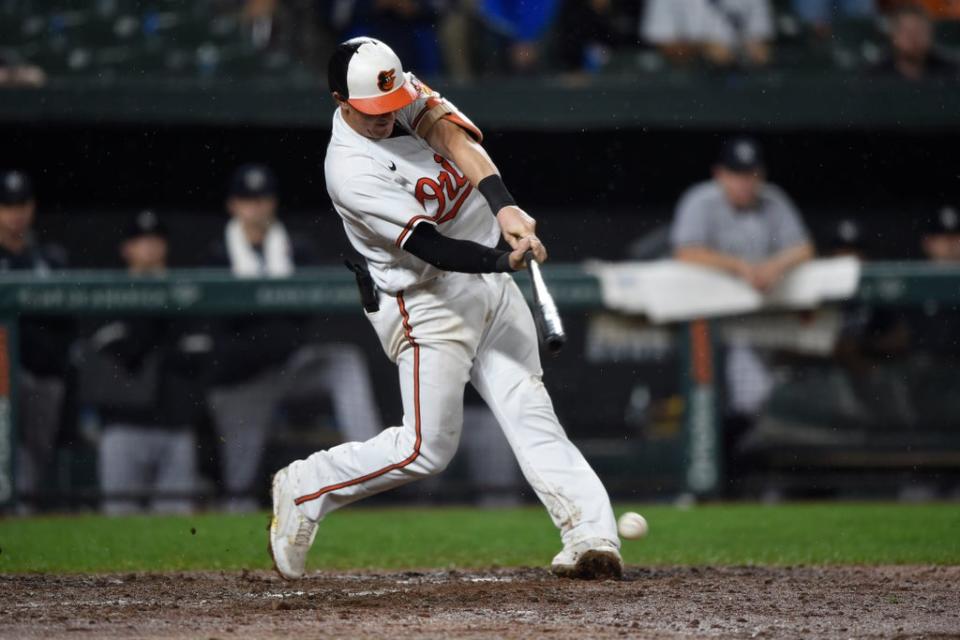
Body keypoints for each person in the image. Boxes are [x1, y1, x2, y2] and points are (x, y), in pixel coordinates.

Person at [269, 37, 621, 580]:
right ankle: (306, 486)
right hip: (424, 298)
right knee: (425, 449)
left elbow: (451, 136)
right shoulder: (350, 169)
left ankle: (589, 534)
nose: (389, 117)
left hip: (485, 277)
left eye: (392, 106)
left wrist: (504, 206)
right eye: (374, 112)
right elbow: (430, 247)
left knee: (528, 404)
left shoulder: (393, 91)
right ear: (341, 101)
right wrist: (503, 261)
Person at [205, 163, 383, 511]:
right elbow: (222, 330)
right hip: (245, 380)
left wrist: (266, 322)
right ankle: (233, 547)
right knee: (239, 485)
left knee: (344, 361)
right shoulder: (219, 254)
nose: (255, 207)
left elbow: (304, 318)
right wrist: (271, 325)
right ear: (233, 205)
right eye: (247, 199)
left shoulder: (295, 249)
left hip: (290, 366)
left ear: (272, 203)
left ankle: (372, 464)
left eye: (262, 199)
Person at [669, 138, 814, 491]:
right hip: (704, 324)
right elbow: (685, 253)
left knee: (755, 398)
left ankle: (726, 473)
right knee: (716, 401)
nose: (744, 182)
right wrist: (739, 267)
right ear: (720, 174)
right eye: (736, 174)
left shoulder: (774, 201)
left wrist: (773, 266)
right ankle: (708, 476)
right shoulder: (701, 201)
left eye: (750, 174)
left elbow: (804, 249)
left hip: (759, 324)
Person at [80, 211, 206, 515]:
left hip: (176, 427)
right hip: (122, 427)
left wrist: (152, 346)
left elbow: (197, 355)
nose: (149, 248)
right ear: (127, 249)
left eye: (156, 241)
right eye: (141, 241)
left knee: (177, 528)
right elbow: (122, 354)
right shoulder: (107, 296)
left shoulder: (186, 295)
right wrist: (161, 344)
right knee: (119, 523)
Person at [0, 170, 72, 508]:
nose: (16, 213)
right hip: (2, 379)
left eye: (22, 204)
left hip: (43, 375)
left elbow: (67, 321)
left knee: (34, 459)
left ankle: (22, 517)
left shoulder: (48, 259)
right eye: (7, 205)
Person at [642, 0, 775, 68]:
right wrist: (703, 49)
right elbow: (663, 44)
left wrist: (754, 50)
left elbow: (761, 40)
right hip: (687, 82)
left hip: (741, 78)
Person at [874, 5, 959, 80]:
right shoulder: (877, 75)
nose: (914, 39)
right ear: (894, 35)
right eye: (908, 33)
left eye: (920, 32)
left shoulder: (949, 72)